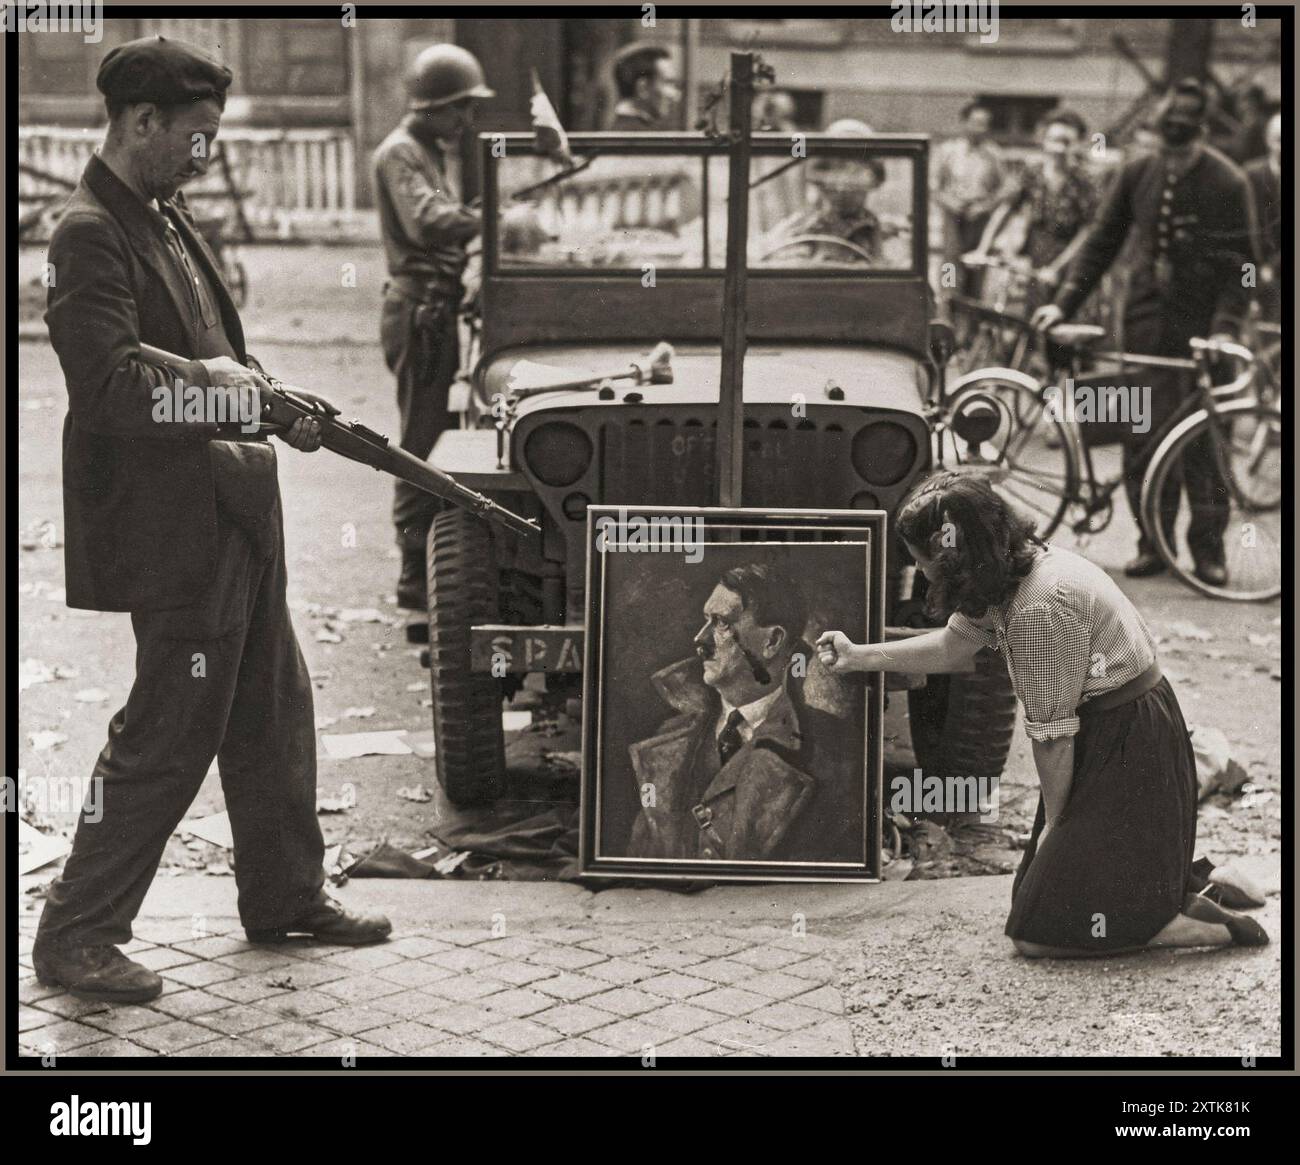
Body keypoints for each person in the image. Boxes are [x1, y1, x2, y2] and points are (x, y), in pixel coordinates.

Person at [35, 36, 390, 1004]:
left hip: (234, 504)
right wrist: (226, 393)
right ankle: (75, 930)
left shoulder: (162, 213)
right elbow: (109, 385)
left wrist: (272, 402)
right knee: (167, 729)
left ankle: (283, 896)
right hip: (172, 526)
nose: (205, 156)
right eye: (194, 137)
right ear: (140, 123)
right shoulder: (85, 234)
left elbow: (210, 351)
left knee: (270, 707)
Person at [817, 472, 1269, 958]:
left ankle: (1191, 924)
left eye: (920, 558)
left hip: (1129, 743)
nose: (918, 568)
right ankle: (1189, 885)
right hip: (1123, 730)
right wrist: (859, 656)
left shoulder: (1039, 606)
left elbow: (1053, 738)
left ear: (952, 557)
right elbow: (953, 649)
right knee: (1037, 903)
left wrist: (1058, 828)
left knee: (1036, 934)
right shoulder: (1009, 566)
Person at [1031, 79, 1255, 586]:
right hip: (1143, 328)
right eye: (1165, 142)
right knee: (1139, 436)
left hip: (1202, 337)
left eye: (1184, 143)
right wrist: (1061, 304)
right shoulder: (1136, 171)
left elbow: (1245, 270)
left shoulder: (1228, 182)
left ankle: (1207, 552)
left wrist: (1223, 329)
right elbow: (1101, 244)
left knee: (1203, 445)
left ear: (1202, 133)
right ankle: (1152, 544)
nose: (1172, 156)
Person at [625, 563, 861, 863]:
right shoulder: (666, 738)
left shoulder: (832, 751)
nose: (701, 639)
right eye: (705, 621)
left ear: (772, 641)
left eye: (722, 623)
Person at [372, 44, 494, 610]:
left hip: (434, 308)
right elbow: (426, 223)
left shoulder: (425, 149)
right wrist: (493, 219)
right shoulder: (401, 152)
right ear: (433, 107)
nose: (467, 121)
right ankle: (415, 583)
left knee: (441, 437)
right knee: (421, 443)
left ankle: (432, 576)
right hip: (419, 311)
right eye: (460, 109)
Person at [971, 109, 1099, 303]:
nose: (1059, 149)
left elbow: (1087, 230)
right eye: (1053, 140)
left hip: (1071, 260)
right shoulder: (1032, 174)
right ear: (1044, 141)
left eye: (1066, 142)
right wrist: (983, 249)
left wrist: (1057, 269)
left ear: (1078, 144)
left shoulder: (1085, 181)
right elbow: (1005, 210)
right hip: (1037, 257)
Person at [932, 101, 1008, 296]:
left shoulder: (993, 154)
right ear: (964, 123)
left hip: (979, 218)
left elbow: (1006, 189)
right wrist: (950, 203)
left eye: (984, 124)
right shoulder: (948, 151)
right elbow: (933, 186)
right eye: (975, 123)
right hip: (953, 216)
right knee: (950, 266)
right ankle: (946, 308)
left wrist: (985, 206)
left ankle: (971, 318)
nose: (980, 129)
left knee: (976, 267)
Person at [1244, 112, 1282, 323]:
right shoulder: (1250, 174)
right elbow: (1242, 230)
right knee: (1247, 303)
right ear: (1268, 141)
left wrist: (1273, 267)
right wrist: (1257, 268)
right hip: (1251, 264)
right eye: (1278, 140)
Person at [607, 43, 680, 131]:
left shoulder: (624, 130)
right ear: (643, 88)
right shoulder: (639, 136)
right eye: (668, 83)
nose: (676, 95)